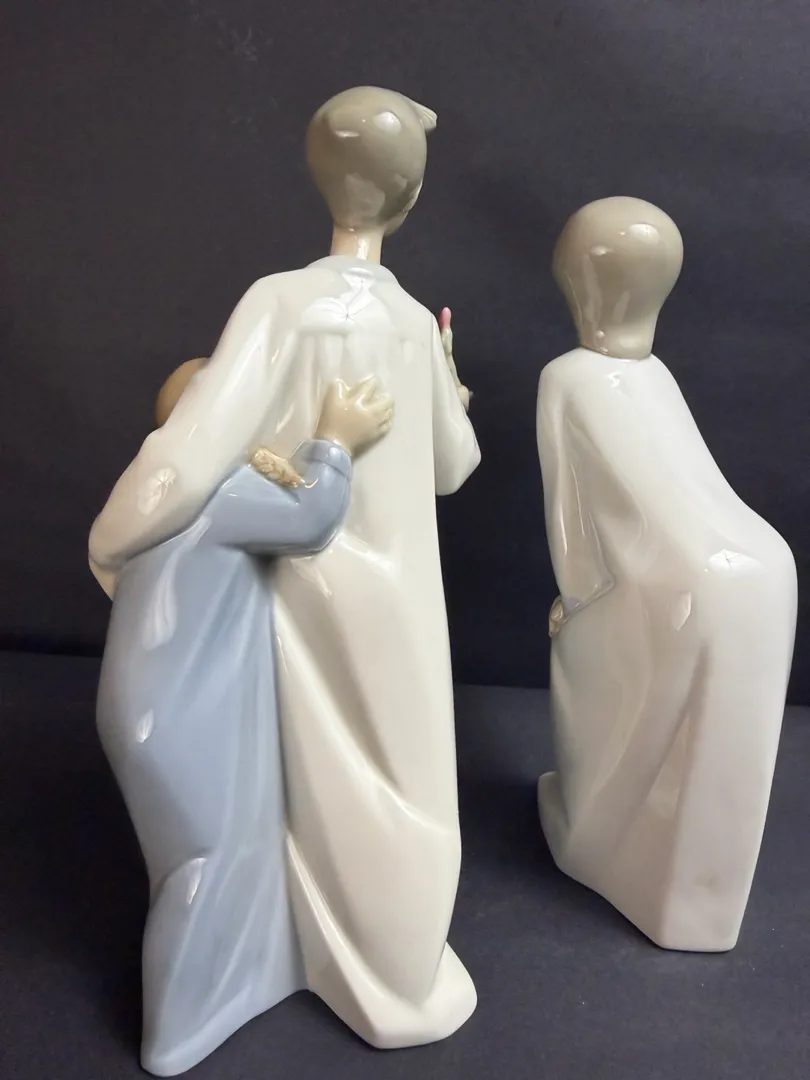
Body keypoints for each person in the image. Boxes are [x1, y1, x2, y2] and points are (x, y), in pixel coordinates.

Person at [88, 86, 480, 1047]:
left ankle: (303, 953)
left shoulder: (281, 302)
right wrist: (449, 376)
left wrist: (114, 538)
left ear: (317, 178)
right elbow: (453, 464)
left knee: (310, 779)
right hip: (399, 595)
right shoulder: (410, 327)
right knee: (403, 773)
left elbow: (194, 444)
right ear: (411, 198)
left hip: (305, 585)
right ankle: (396, 965)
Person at [96, 377, 393, 1076]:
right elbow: (313, 516)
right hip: (175, 714)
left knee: (222, 849)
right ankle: (175, 1031)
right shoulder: (216, 491)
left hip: (155, 706)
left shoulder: (153, 490)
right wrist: (335, 439)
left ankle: (241, 981)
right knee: (204, 861)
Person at [537, 197, 797, 952]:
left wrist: (573, 600)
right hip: (762, 567)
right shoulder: (657, 376)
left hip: (672, 586)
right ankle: (694, 904)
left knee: (585, 670)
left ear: (576, 282)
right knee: (718, 748)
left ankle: (588, 839)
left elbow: (570, 519)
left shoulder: (568, 377)